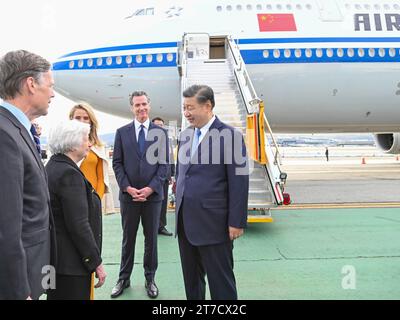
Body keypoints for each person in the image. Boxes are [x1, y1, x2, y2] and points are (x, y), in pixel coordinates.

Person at [175, 85, 249, 300]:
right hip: (185, 222)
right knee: (192, 282)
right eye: (184, 108)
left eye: (190, 107)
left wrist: (236, 221)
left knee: (221, 283)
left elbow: (239, 182)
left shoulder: (230, 136)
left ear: (207, 106)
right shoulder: (186, 135)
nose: (186, 113)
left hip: (214, 224)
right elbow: (185, 174)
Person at [0, 50, 56, 300]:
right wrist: (19, 291)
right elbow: (5, 225)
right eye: (50, 86)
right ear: (31, 84)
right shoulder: (4, 134)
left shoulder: (15, 129)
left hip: (35, 272)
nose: (53, 94)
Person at [111, 91, 169, 299]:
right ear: (132, 108)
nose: (141, 108)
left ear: (149, 105)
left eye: (144, 104)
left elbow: (164, 166)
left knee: (151, 240)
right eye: (137, 105)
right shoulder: (122, 132)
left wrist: (151, 188)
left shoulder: (160, 133)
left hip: (152, 198)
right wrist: (127, 187)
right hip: (129, 197)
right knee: (128, 239)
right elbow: (117, 163)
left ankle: (150, 278)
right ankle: (123, 278)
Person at [46, 120, 106, 300]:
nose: (89, 143)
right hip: (71, 266)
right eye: (86, 139)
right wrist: (96, 262)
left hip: (56, 262)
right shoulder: (69, 174)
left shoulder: (53, 166)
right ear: (72, 143)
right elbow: (78, 224)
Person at [69, 103, 115, 214]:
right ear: (71, 120)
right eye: (78, 118)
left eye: (86, 118)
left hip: (92, 201)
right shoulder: (64, 145)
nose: (82, 121)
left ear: (91, 121)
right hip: (70, 200)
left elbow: (101, 179)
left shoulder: (98, 146)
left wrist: (96, 200)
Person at [152, 117, 175, 236]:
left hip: (164, 178)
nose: (160, 127)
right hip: (152, 178)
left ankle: (161, 226)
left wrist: (171, 173)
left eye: (161, 125)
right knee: (152, 203)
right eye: (157, 125)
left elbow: (170, 157)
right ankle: (152, 226)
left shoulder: (167, 140)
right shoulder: (148, 140)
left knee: (163, 202)